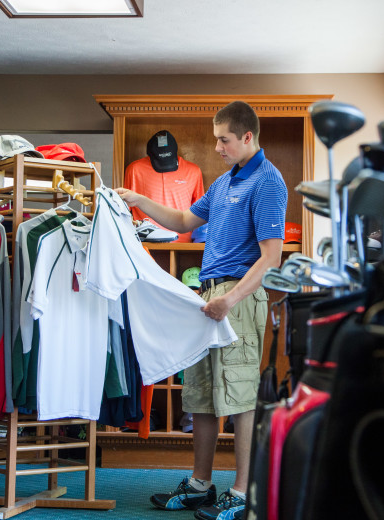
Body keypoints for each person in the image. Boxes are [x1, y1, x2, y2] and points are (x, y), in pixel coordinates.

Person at [116, 100, 288, 520]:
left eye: (224, 139)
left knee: (240, 394)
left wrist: (230, 299)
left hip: (238, 299)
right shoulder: (226, 181)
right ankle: (200, 484)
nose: (217, 147)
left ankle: (243, 492)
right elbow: (181, 221)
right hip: (207, 294)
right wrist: (138, 197)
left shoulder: (268, 182)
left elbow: (271, 258)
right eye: (216, 139)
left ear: (247, 137)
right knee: (202, 394)